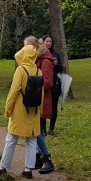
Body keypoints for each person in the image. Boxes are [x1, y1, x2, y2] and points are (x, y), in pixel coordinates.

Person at [0, 36, 42, 179]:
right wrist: (39, 112)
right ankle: (28, 169)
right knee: (31, 140)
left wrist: (8, 108)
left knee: (11, 138)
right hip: (34, 111)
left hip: (20, 110)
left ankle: (3, 167)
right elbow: (40, 95)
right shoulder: (38, 71)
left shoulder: (21, 70)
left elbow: (14, 91)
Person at [35, 42, 56, 173]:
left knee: (37, 130)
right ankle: (39, 157)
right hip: (37, 100)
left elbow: (48, 82)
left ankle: (46, 158)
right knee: (37, 130)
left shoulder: (45, 62)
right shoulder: (38, 61)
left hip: (42, 101)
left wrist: (32, 82)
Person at [42, 35, 62, 135]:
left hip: (54, 83)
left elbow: (60, 69)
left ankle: (51, 129)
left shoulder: (55, 54)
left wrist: (57, 64)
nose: (48, 43)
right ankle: (43, 129)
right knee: (44, 105)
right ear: (43, 42)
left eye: (50, 41)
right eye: (47, 41)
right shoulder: (41, 54)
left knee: (54, 105)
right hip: (44, 82)